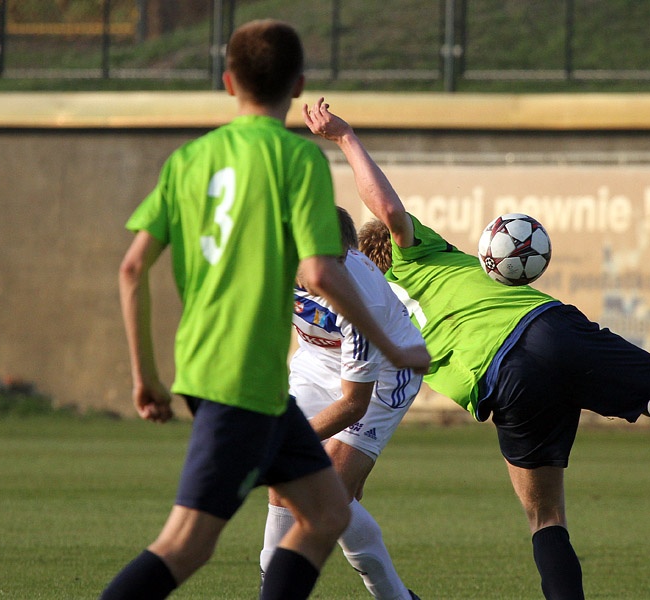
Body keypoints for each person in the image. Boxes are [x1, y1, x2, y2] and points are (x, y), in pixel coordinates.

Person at [302, 98, 650, 600]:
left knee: (547, 517)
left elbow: (367, 417)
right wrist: (344, 137)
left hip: (503, 380)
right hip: (546, 325)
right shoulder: (426, 251)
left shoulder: (371, 316)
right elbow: (387, 209)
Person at [102, 22, 429, 600]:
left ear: (228, 82)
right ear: (299, 83)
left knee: (326, 511)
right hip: (248, 385)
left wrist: (145, 377)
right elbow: (322, 272)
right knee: (187, 545)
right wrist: (401, 345)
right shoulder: (295, 161)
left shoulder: (189, 159)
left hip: (212, 375)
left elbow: (131, 270)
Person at [260, 207, 424, 600]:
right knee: (285, 485)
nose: (335, 272)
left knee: (329, 489)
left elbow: (354, 403)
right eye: (326, 260)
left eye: (341, 259)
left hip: (385, 375)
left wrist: (282, 442)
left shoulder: (359, 299)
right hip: (315, 363)